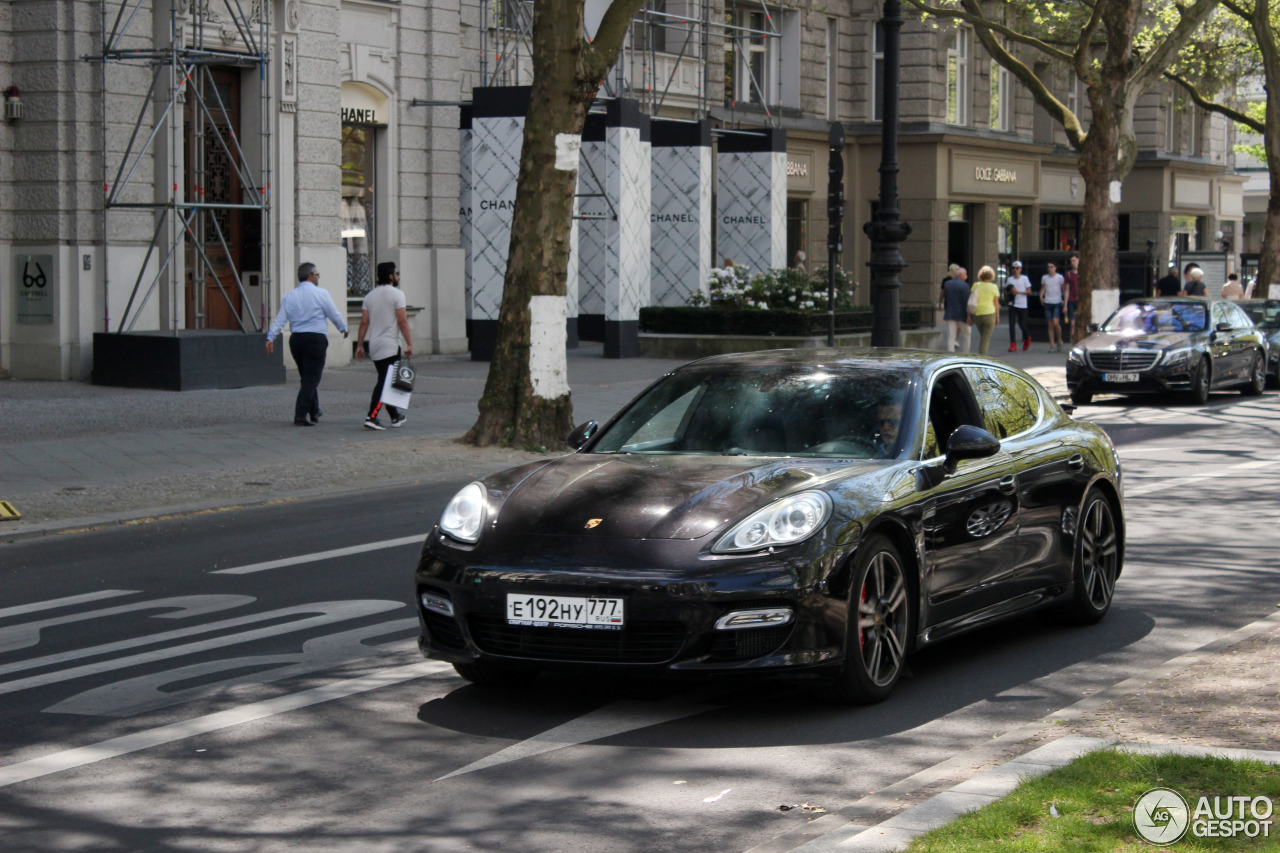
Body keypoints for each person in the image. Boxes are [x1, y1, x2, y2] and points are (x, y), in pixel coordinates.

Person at [265, 262, 349, 427]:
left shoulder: (290, 296)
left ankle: (315, 410)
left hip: (296, 340)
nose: (318, 277)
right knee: (311, 379)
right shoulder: (321, 294)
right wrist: (343, 328)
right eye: (317, 274)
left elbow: (280, 319)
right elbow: (333, 313)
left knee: (307, 377)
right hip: (315, 339)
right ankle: (300, 415)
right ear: (310, 275)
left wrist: (270, 338)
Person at [356, 261, 414, 430]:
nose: (398, 276)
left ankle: (395, 416)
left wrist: (360, 345)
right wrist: (409, 343)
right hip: (390, 345)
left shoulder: (369, 296)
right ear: (390, 276)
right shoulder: (397, 295)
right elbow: (402, 321)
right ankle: (372, 416)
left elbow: (364, 322)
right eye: (396, 273)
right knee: (385, 382)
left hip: (374, 345)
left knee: (386, 379)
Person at [940, 266, 972, 352]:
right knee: (966, 335)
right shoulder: (965, 286)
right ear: (961, 275)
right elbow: (967, 302)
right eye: (965, 274)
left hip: (950, 313)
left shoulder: (947, 284)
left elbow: (945, 297)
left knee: (951, 337)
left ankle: (951, 355)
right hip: (962, 314)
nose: (966, 276)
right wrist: (969, 316)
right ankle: (966, 354)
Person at [970, 265, 1001, 355]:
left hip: (978, 314)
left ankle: (982, 354)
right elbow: (996, 304)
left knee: (984, 336)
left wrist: (969, 314)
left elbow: (972, 299)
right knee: (985, 338)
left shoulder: (976, 285)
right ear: (991, 275)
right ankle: (982, 357)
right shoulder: (993, 287)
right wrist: (997, 317)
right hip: (989, 313)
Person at [1006, 260, 1032, 352]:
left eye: (1017, 268)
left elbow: (1029, 291)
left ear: (1020, 269)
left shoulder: (1024, 278)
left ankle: (1027, 337)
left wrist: (1019, 292)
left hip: (1022, 304)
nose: (1015, 270)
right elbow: (1007, 290)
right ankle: (1013, 344)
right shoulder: (1010, 279)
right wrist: (1010, 292)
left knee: (1022, 324)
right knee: (1011, 324)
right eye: (1014, 268)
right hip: (1012, 304)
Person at [1040, 261, 1066, 352]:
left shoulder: (1060, 277)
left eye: (1051, 267)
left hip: (1057, 302)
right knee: (1050, 324)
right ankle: (1052, 344)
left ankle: (1059, 339)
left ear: (1055, 267)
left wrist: (1064, 300)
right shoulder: (1045, 278)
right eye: (1048, 267)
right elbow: (1043, 288)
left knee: (1056, 322)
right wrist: (1041, 296)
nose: (1049, 269)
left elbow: (1063, 289)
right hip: (1048, 301)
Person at [1063, 254, 1080, 332]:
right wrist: (1065, 304)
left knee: (1079, 321)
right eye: (1071, 261)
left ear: (1078, 260)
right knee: (1072, 322)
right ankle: (1073, 338)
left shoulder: (1082, 272)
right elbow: (1067, 289)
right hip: (1072, 299)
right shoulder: (1068, 274)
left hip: (1080, 300)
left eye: (1074, 260)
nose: (1072, 263)